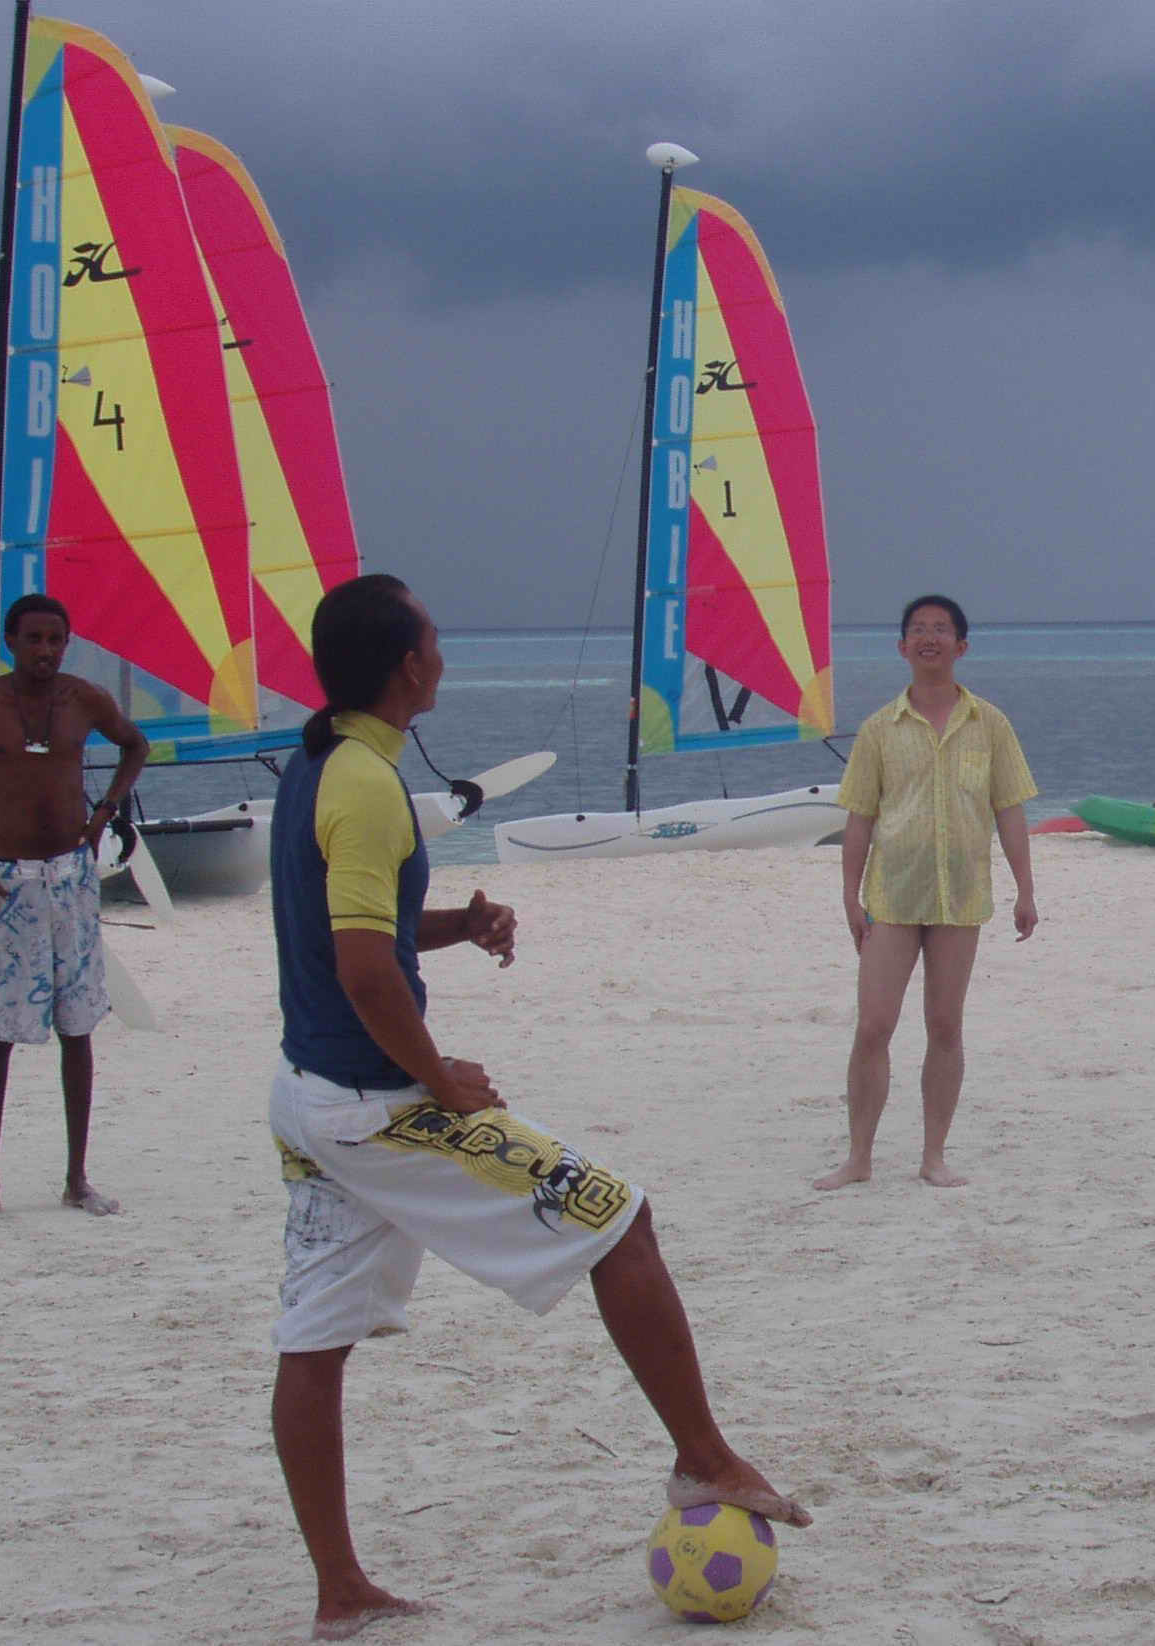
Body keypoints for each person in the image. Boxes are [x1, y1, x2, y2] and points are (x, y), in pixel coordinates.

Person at [264, 574, 806, 1642]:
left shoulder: (318, 758)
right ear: (407, 666)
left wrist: (457, 925)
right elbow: (362, 968)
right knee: (619, 1217)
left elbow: (353, 924)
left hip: (307, 1095)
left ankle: (338, 1588)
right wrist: (440, 1075)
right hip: (377, 1107)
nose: (445, 652)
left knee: (314, 1336)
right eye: (435, 635)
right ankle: (702, 1450)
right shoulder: (367, 784)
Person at [0, 592, 149, 1226]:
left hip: (71, 876)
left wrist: (105, 813)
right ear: (10, 642)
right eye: (34, 639)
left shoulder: (85, 699)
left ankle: (76, 1179)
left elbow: (134, 745)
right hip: (6, 883)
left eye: (55, 640)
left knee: (78, 1027)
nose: (45, 650)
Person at [812, 594, 1038, 1192]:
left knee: (945, 1025)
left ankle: (933, 1155)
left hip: (961, 897)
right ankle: (858, 1157)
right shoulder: (879, 729)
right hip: (891, 896)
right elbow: (859, 817)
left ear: (962, 646)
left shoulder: (989, 724)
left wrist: (1025, 890)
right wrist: (848, 894)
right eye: (918, 630)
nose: (929, 637)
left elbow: (1009, 809)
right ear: (903, 647)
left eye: (941, 629)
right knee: (874, 1026)